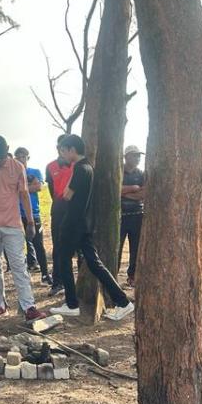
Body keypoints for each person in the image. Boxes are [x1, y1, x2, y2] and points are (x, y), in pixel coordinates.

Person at [49, 135, 134, 321]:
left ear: (72, 150)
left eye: (64, 150)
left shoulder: (80, 169)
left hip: (73, 223)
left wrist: (65, 190)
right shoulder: (88, 167)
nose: (62, 154)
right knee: (95, 264)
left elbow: (67, 195)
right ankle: (123, 302)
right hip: (84, 223)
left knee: (63, 259)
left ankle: (72, 304)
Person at [0, 136, 47, 322]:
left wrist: (30, 222)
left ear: (8, 150)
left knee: (19, 265)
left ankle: (28, 306)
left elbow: (24, 195)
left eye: (1, 157)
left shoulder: (17, 167)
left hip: (12, 225)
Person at [14, 147, 50, 284]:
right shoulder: (13, 174)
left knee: (38, 244)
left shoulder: (35, 172)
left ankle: (45, 275)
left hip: (33, 214)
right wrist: (28, 187)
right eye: (18, 157)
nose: (21, 160)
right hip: (17, 214)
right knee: (19, 246)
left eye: (23, 157)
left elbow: (38, 187)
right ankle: (24, 275)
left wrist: (22, 189)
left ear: (28, 158)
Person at [46, 135, 75, 296]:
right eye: (61, 147)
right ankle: (58, 282)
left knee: (80, 247)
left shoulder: (78, 165)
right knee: (58, 246)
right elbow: (51, 190)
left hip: (76, 210)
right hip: (58, 210)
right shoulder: (50, 166)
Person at [119, 145, 145, 285]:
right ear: (126, 156)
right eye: (134, 155)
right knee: (117, 248)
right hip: (120, 216)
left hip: (137, 215)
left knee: (136, 248)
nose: (137, 158)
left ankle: (132, 276)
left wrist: (125, 193)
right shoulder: (118, 171)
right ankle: (113, 276)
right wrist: (133, 189)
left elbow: (144, 193)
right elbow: (114, 188)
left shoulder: (141, 174)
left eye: (138, 156)